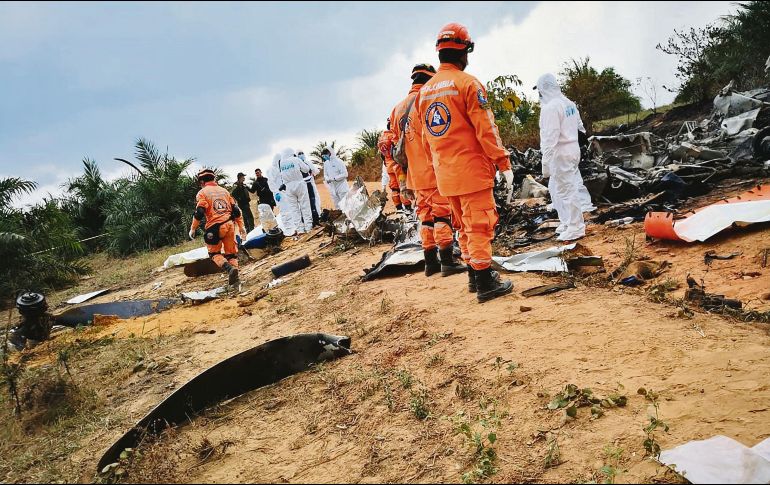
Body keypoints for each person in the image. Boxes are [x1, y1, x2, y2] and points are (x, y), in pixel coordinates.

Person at [413, 23, 514, 303]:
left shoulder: (426, 93)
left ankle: (473, 274)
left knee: (464, 227)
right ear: (464, 51)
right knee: (480, 225)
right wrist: (503, 163)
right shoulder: (468, 84)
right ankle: (484, 281)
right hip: (471, 172)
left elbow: (425, 140)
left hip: (445, 177)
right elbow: (486, 129)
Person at [386, 63, 465, 278]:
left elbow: (393, 148)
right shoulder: (427, 100)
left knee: (426, 218)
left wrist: (402, 179)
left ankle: (430, 263)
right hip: (433, 170)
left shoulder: (397, 109)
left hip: (413, 176)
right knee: (442, 216)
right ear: (430, 78)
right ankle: (447, 261)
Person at [535, 72, 586, 241]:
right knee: (556, 188)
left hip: (560, 152)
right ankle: (566, 222)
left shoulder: (551, 108)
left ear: (543, 89)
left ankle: (576, 226)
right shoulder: (569, 103)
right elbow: (580, 128)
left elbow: (550, 137)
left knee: (567, 189)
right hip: (572, 148)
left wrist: (546, 161)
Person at [189, 168, 247, 286]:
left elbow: (199, 212)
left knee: (214, 254)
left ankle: (229, 269)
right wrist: (241, 227)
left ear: (201, 182)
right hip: (230, 225)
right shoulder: (224, 191)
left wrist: (193, 228)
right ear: (214, 178)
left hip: (214, 227)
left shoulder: (202, 193)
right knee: (231, 254)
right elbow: (236, 211)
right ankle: (236, 280)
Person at [276, 147, 314, 236]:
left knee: (294, 209)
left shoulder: (281, 163)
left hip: (288, 187)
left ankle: (300, 230)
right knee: (305, 206)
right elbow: (306, 169)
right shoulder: (295, 159)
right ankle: (308, 228)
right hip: (299, 184)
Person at [378, 126, 413, 214]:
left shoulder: (381, 138)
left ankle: (399, 208)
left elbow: (383, 156)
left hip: (388, 167)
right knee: (402, 187)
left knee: (394, 189)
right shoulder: (392, 135)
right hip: (397, 167)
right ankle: (408, 208)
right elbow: (399, 149)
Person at [297, 149, 321, 227]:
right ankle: (309, 220)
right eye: (299, 154)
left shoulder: (308, 162)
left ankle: (317, 217)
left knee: (315, 201)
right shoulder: (298, 164)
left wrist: (312, 172)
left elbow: (316, 171)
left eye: (302, 153)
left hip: (311, 184)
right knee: (305, 203)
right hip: (303, 186)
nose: (301, 155)